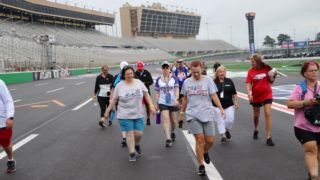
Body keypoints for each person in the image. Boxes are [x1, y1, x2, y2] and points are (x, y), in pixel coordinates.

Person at [180, 60, 225, 176]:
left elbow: (214, 95)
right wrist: (181, 113)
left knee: (210, 141)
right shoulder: (186, 82)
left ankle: (205, 152)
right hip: (193, 114)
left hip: (207, 113)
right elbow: (184, 99)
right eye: (194, 72)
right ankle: (201, 165)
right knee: (200, 140)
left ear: (202, 69)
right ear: (191, 70)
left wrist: (221, 108)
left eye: (198, 72)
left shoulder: (208, 80)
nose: (196, 74)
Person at [105, 66, 156, 162]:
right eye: (127, 74)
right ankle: (132, 153)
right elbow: (114, 100)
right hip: (124, 114)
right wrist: (107, 112)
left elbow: (146, 94)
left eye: (131, 73)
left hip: (138, 113)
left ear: (133, 74)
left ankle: (136, 144)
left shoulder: (139, 83)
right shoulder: (119, 85)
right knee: (129, 133)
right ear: (123, 75)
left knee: (139, 134)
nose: (130, 75)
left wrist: (151, 106)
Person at [287, 61, 320, 180]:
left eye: (316, 70)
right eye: (311, 71)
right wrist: (306, 102)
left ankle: (311, 173)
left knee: (318, 153)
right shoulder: (299, 88)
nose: (314, 73)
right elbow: (289, 104)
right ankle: (315, 177)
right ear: (305, 73)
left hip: (318, 125)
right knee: (311, 148)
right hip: (303, 126)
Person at [246, 54, 276, 146]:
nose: (251, 63)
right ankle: (256, 129)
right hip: (256, 95)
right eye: (251, 62)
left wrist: (273, 76)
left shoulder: (267, 68)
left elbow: (271, 81)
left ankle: (269, 137)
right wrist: (248, 93)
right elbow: (248, 83)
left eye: (253, 62)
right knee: (256, 115)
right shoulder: (250, 71)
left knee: (267, 113)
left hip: (267, 94)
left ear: (258, 61)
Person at [154, 61, 179, 147]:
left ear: (169, 68)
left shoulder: (174, 78)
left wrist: (176, 99)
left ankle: (172, 132)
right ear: (162, 69)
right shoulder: (158, 79)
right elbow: (157, 92)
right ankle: (168, 139)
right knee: (165, 119)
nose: (165, 69)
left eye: (167, 67)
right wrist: (156, 103)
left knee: (174, 122)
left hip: (172, 102)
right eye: (163, 68)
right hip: (162, 102)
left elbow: (176, 90)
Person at [212, 64, 238, 144]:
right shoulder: (213, 82)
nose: (222, 73)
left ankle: (226, 129)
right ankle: (223, 136)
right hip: (217, 106)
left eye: (223, 72)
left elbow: (234, 93)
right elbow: (211, 94)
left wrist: (236, 102)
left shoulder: (229, 81)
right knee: (220, 121)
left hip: (229, 105)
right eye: (220, 72)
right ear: (217, 73)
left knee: (230, 120)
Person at [110, 61, 129, 147]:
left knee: (130, 120)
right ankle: (124, 138)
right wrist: (111, 98)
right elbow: (113, 88)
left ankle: (130, 136)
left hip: (131, 103)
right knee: (122, 119)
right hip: (120, 102)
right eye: (122, 70)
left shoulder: (133, 76)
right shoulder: (116, 77)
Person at [0, 79, 16, 174]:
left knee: (5, 143)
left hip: (1, 121)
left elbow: (8, 100)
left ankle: (10, 159)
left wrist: (10, 117)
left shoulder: (0, 83)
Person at [134, 61, 154, 125]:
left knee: (147, 105)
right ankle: (139, 119)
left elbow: (151, 81)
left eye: (141, 68)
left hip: (146, 92)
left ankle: (148, 118)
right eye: (139, 68)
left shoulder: (147, 73)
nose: (140, 69)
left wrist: (145, 83)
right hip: (137, 92)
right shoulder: (135, 73)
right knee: (138, 106)